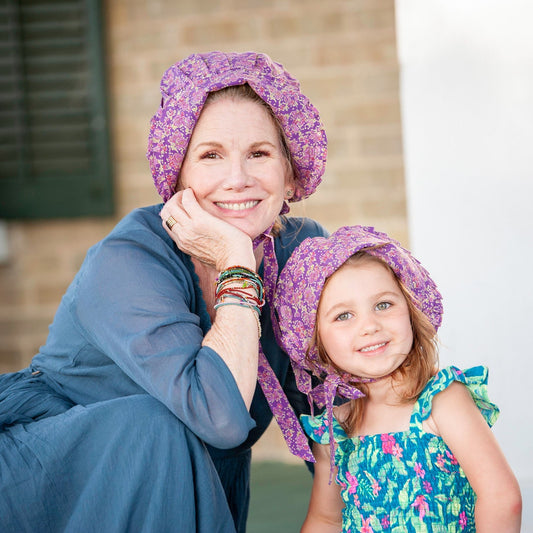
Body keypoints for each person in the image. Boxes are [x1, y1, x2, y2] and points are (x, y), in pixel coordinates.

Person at [0, 51, 329, 532]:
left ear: (290, 172)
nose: (237, 179)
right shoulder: (129, 258)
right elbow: (221, 418)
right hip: (54, 478)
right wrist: (237, 263)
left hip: (183, 479)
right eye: (210, 155)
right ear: (178, 176)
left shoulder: (302, 253)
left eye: (258, 153)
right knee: (155, 426)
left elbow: (332, 414)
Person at [273, 225, 522, 532]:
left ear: (411, 311)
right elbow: (326, 520)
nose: (370, 326)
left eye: (383, 305)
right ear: (316, 342)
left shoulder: (441, 401)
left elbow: (500, 497)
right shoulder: (334, 428)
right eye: (344, 316)